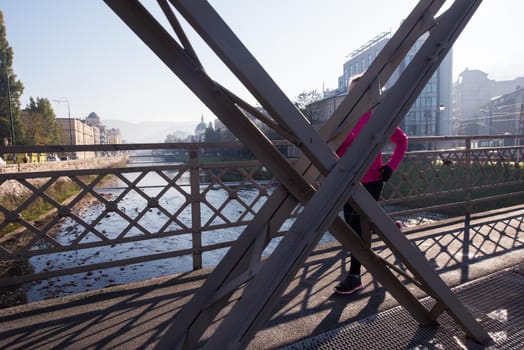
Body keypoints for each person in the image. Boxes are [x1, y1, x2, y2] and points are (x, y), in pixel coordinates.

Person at [334, 76, 408, 295]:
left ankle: (355, 276)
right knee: (352, 227)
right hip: (346, 180)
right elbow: (335, 149)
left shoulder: (379, 117)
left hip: (372, 180)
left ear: (371, 95)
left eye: (362, 92)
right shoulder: (344, 119)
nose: (356, 97)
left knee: (357, 230)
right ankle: (384, 225)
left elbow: (402, 140)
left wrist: (391, 167)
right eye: (352, 92)